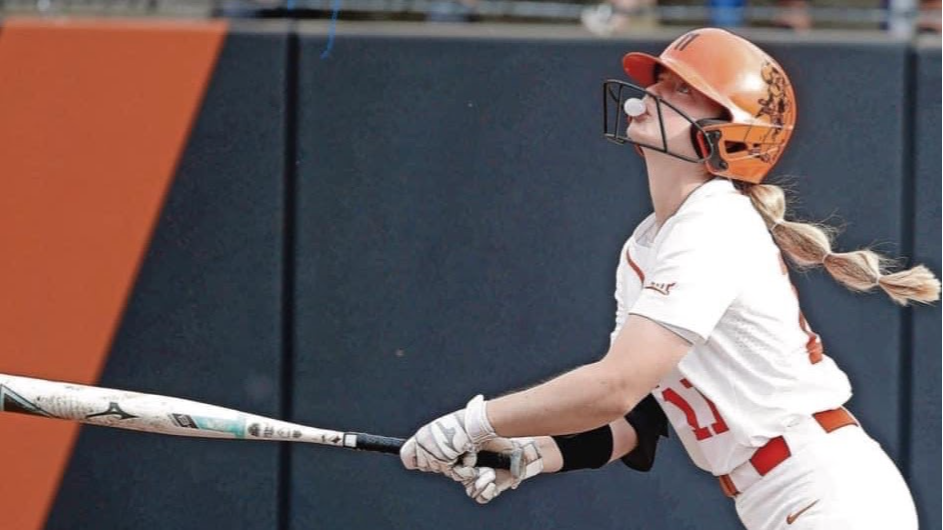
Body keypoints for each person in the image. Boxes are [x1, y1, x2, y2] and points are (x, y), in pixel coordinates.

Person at [399, 28, 939, 529]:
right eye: (660, 80)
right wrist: (536, 452)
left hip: (829, 490)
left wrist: (478, 422)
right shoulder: (646, 244)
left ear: (728, 134)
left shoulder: (714, 221)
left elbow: (615, 386)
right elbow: (643, 413)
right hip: (783, 496)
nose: (652, 92)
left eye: (682, 89)